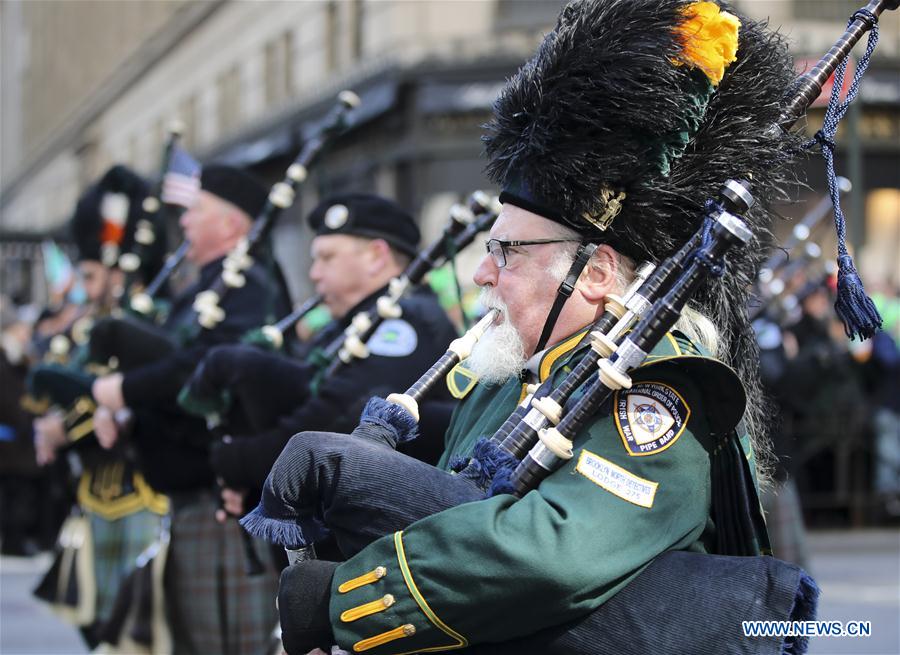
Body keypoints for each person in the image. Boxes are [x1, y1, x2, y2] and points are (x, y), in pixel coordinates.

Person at [253, 1, 820, 653]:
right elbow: (464, 506)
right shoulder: (511, 374)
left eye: (507, 253)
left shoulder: (655, 385)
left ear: (599, 272)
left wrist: (346, 599)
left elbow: (553, 550)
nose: (481, 275)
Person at [91, 164, 292, 655]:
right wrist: (130, 410)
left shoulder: (248, 286)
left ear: (231, 225)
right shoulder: (209, 286)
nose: (182, 222)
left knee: (229, 642)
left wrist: (125, 391)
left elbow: (204, 368)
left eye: (195, 211)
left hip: (219, 499)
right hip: (192, 496)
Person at [180, 193, 459, 520]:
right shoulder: (345, 326)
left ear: (375, 257)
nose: (314, 273)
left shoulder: (409, 321)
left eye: (327, 258)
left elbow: (338, 417)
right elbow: (296, 396)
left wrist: (238, 462)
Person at [29, 165, 169, 649]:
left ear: (117, 265)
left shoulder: (152, 318)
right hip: (91, 492)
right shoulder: (92, 321)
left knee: (137, 630)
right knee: (100, 629)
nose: (86, 287)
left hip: (145, 492)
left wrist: (63, 428)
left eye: (90, 275)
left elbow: (125, 392)